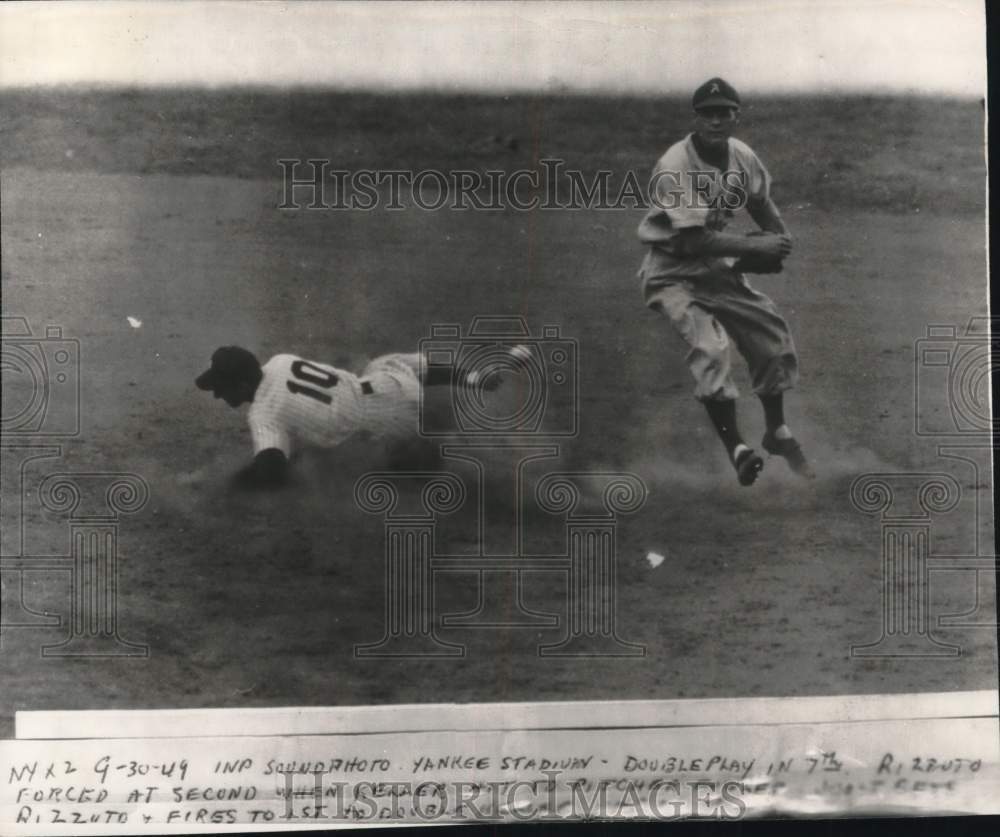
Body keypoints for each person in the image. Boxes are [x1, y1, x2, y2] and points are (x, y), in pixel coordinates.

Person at [636, 76, 814, 486]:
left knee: (769, 334)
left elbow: (761, 202)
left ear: (736, 116)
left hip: (715, 268)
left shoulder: (741, 155)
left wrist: (779, 240)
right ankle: (737, 449)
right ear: (695, 118)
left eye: (723, 113)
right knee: (711, 349)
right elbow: (692, 240)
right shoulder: (675, 165)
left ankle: (776, 432)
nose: (716, 121)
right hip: (671, 272)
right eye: (707, 114)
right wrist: (754, 247)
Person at [195, 345, 507, 488]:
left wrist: (226, 484)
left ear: (243, 385)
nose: (217, 395)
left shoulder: (263, 413)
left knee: (411, 469)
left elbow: (271, 470)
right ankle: (472, 378)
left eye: (221, 387)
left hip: (395, 430)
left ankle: (462, 453)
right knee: (386, 363)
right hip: (392, 385)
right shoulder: (280, 360)